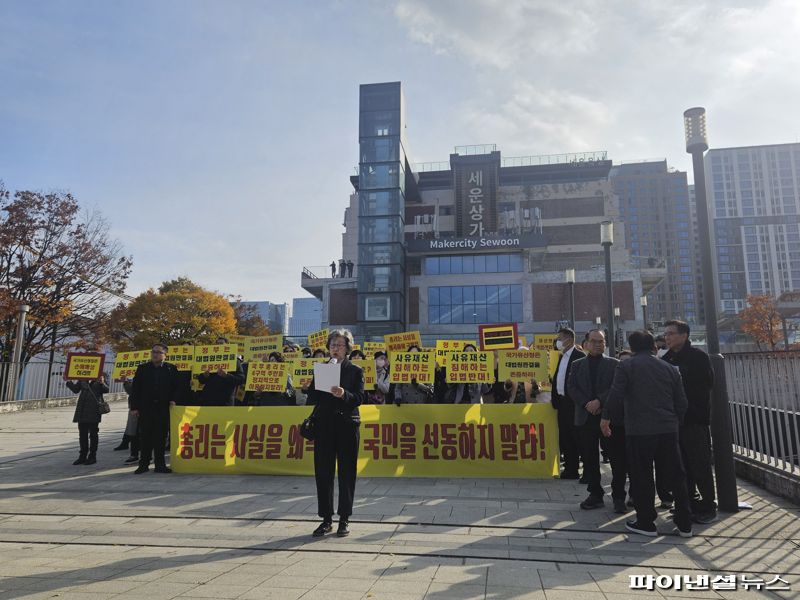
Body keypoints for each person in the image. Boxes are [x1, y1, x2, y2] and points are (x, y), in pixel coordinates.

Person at [601, 330, 693, 538]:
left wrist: (606, 418)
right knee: (676, 475)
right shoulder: (670, 368)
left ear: (631, 348)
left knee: (641, 474)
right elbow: (682, 402)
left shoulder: (626, 366)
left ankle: (646, 521)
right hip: (668, 429)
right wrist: (675, 421)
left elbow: (616, 394)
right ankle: (685, 522)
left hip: (639, 430)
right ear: (653, 346)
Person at [306, 329, 364, 537]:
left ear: (348, 348)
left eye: (339, 345)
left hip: (347, 426)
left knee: (347, 473)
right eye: (332, 345)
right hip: (324, 427)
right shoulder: (321, 369)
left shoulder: (355, 371)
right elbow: (313, 398)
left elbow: (359, 398)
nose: (335, 349)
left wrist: (344, 394)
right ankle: (326, 518)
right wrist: (310, 388)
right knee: (323, 473)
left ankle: (344, 518)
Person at [662, 319, 717, 524]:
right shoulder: (666, 358)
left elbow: (706, 384)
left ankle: (708, 505)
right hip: (672, 420)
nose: (667, 337)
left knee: (699, 464)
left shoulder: (698, 357)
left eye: (671, 333)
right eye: (665, 334)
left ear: (684, 335)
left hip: (694, 419)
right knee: (680, 466)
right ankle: (687, 504)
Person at [567, 329, 620, 511]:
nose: (599, 344)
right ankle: (595, 493)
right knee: (589, 458)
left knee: (616, 458)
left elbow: (616, 388)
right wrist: (586, 403)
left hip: (608, 418)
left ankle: (619, 495)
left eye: (602, 341)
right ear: (586, 344)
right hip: (585, 417)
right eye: (595, 341)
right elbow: (571, 388)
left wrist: (599, 401)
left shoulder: (615, 364)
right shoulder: (577, 364)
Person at [130, 343, 180, 474]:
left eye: (158, 352)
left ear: (165, 355)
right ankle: (143, 464)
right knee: (145, 437)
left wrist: (174, 400)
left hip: (163, 408)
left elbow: (177, 388)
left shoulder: (171, 369)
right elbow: (135, 389)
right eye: (153, 352)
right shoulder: (143, 368)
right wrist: (134, 407)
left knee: (161, 437)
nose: (155, 354)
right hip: (146, 408)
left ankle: (160, 465)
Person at [550, 328, 585, 479]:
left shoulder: (579, 356)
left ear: (569, 339)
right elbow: (559, 378)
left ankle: (582, 469)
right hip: (562, 402)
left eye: (560, 338)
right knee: (566, 436)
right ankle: (570, 469)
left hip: (574, 403)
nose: (557, 341)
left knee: (577, 436)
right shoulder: (562, 356)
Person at [67, 374, 109, 465]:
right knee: (82, 434)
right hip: (82, 410)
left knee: (93, 434)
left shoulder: (101, 375)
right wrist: (68, 381)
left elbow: (106, 390)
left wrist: (102, 382)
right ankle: (82, 456)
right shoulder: (84, 376)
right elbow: (75, 390)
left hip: (94, 410)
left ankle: (92, 456)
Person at [197, 338, 245, 406]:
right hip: (208, 400)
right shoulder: (208, 359)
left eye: (221, 343)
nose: (219, 346)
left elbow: (241, 379)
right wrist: (204, 376)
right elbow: (200, 380)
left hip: (226, 401)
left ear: (227, 346)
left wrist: (227, 375)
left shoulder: (234, 361)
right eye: (217, 344)